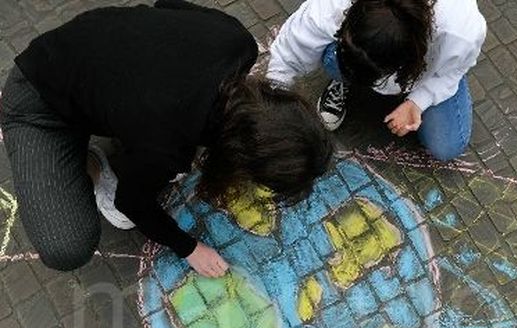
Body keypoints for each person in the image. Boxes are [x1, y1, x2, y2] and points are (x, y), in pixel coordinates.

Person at [0, 0, 333, 277]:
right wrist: (187, 247)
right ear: (241, 157)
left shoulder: (238, 43)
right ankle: (88, 165)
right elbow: (131, 202)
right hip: (39, 102)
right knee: (67, 246)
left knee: (141, 133)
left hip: (86, 44)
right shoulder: (169, 146)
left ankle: (107, 118)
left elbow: (166, 5)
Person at [267, 0, 486, 161]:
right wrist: (272, 113)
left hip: (428, 71)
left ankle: (363, 72)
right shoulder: (332, 7)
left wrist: (419, 100)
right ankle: (345, 73)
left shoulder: (461, 32)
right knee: (332, 55)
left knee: (446, 147)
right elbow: (288, 55)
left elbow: (455, 70)